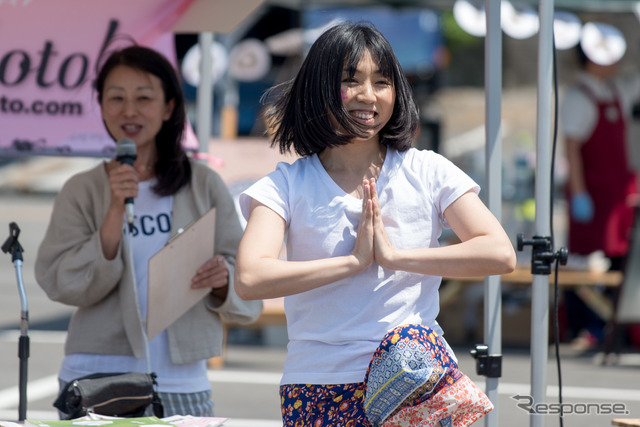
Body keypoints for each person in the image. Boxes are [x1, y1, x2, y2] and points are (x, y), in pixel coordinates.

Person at [235, 23, 516, 426]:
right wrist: (353, 262)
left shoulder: (428, 170)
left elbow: (499, 252)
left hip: (414, 380)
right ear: (318, 89)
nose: (368, 95)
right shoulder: (285, 184)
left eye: (382, 82)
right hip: (318, 384)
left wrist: (395, 257)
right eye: (350, 81)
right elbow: (249, 276)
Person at [34, 44, 262, 417]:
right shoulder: (82, 188)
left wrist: (222, 280)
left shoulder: (202, 184)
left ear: (169, 106)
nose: (129, 110)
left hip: (181, 378)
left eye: (144, 97)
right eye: (116, 97)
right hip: (96, 376)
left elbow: (249, 284)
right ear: (101, 105)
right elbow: (60, 281)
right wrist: (112, 210)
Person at [561, 22, 640, 350]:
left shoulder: (614, 90)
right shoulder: (579, 96)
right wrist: (579, 193)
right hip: (592, 194)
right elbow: (572, 147)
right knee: (586, 261)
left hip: (618, 192)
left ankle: (612, 325)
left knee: (619, 258)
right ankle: (585, 326)